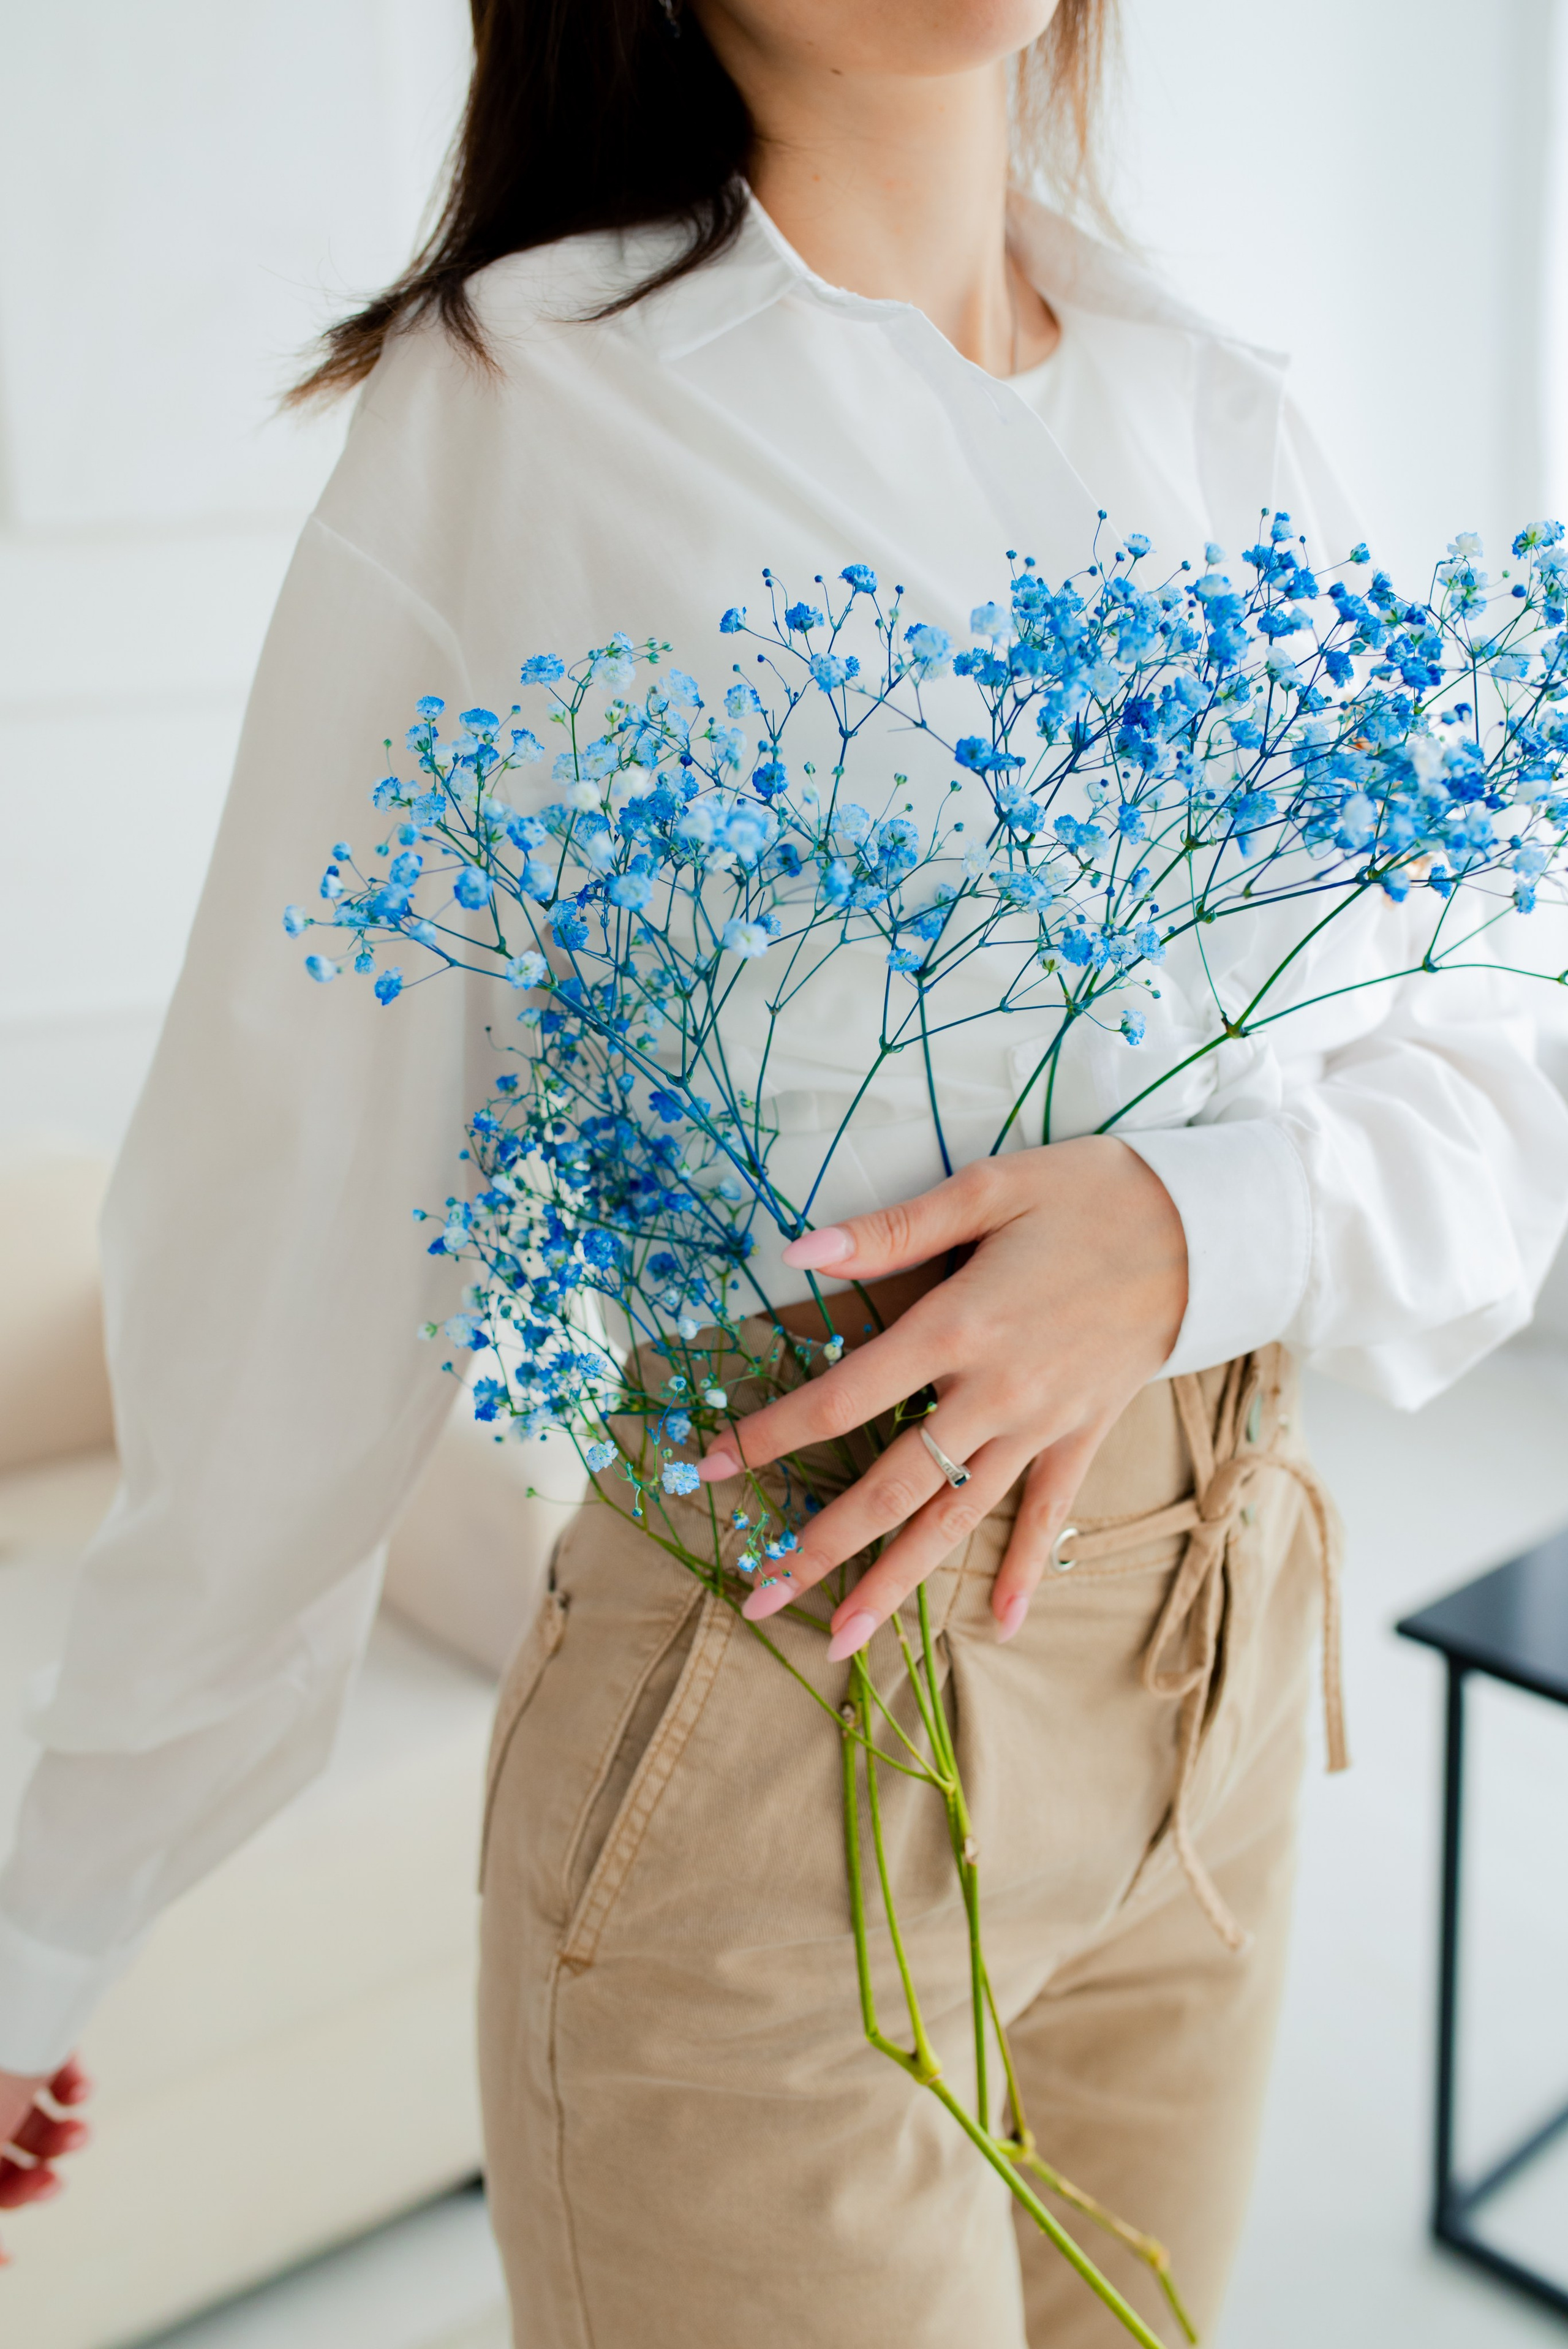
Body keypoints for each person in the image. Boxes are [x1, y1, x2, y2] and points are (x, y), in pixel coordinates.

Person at [3, 1, 1565, 2340]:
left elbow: (1500, 1051)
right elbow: (279, 1259)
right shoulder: (523, 418)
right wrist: (50, 1919)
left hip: (1215, 1711)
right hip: (775, 1762)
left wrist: (1183, 1235)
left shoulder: (1214, 405)